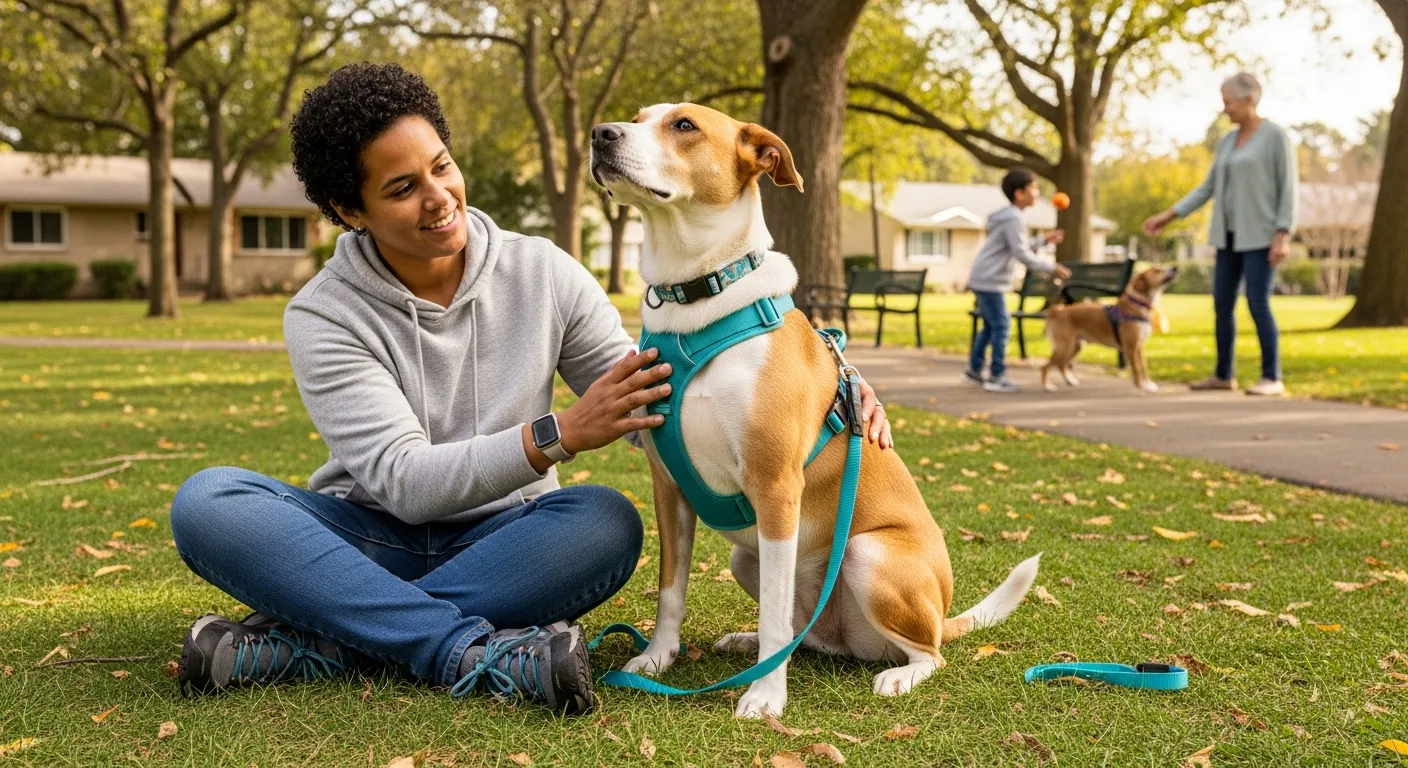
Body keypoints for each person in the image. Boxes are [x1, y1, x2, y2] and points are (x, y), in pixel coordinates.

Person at [168, 62, 892, 715]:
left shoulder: (542, 270)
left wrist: (827, 384)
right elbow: (404, 482)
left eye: (441, 168)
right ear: (350, 211)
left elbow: (657, 397)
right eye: (401, 189)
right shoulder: (323, 314)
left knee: (606, 524)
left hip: (511, 541)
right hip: (368, 539)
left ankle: (332, 638)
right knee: (210, 503)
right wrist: (560, 433)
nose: (437, 197)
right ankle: (470, 652)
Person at [1142, 72, 1298, 396]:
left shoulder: (1276, 137)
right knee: (1222, 305)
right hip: (1227, 236)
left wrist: (1282, 234)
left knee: (1258, 302)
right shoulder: (1228, 140)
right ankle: (1223, 375)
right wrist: (1169, 215)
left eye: (1228, 102)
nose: (1225, 109)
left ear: (1249, 99)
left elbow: (1289, 190)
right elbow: (1209, 187)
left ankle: (1272, 377)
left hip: (1261, 236)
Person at [965, 167, 1071, 393]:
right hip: (990, 279)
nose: (1038, 192)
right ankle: (996, 376)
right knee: (1002, 324)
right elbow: (1021, 254)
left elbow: (1016, 248)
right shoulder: (1014, 218)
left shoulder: (1012, 216)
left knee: (990, 326)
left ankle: (974, 370)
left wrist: (1043, 240)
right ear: (1019, 194)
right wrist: (1052, 267)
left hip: (986, 277)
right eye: (1034, 187)